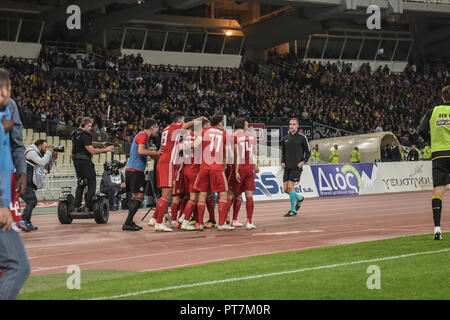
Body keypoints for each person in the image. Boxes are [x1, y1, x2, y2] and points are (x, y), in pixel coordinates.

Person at [0, 68, 30, 300]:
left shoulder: (10, 108)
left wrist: (21, 171)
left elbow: (17, 143)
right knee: (17, 264)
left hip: (6, 184)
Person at [149, 113, 207, 232]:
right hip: (169, 163)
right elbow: (188, 125)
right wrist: (199, 119)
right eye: (183, 120)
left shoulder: (166, 129)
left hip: (163, 161)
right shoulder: (174, 128)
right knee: (167, 194)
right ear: (179, 120)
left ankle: (155, 219)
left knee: (165, 194)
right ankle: (160, 222)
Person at [418, 85, 450, 240]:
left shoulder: (432, 112)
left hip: (438, 155)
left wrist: (432, 140)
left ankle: (437, 228)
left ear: (442, 97)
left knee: (438, 190)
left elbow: (421, 131)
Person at [193, 114, 232, 230]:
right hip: (217, 167)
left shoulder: (204, 131)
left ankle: (200, 223)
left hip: (204, 167)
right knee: (223, 194)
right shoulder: (224, 134)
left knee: (202, 194)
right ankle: (221, 224)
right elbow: (226, 152)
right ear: (220, 123)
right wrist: (224, 165)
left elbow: (195, 145)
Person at [123, 119, 161, 231]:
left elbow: (148, 154)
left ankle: (129, 222)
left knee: (135, 196)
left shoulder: (143, 137)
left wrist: (158, 155)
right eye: (157, 127)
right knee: (139, 196)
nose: (157, 130)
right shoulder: (143, 135)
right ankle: (127, 222)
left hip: (133, 169)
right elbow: (141, 151)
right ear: (152, 127)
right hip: (135, 170)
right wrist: (155, 153)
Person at [71, 117, 114, 212]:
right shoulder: (86, 134)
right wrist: (106, 149)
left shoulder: (75, 133)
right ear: (83, 125)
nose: (90, 128)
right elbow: (92, 151)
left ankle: (76, 206)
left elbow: (87, 143)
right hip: (85, 161)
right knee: (91, 183)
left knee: (81, 183)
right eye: (89, 126)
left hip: (76, 161)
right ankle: (87, 206)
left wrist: (100, 144)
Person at [228, 118, 259, 230]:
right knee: (249, 196)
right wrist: (254, 164)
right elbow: (255, 152)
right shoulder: (252, 137)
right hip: (248, 168)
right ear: (243, 126)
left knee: (232, 194)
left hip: (237, 166)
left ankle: (231, 219)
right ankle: (249, 221)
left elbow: (232, 154)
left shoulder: (232, 136)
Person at [20, 139, 57, 231]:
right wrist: (49, 153)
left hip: (27, 182)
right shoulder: (31, 151)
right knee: (32, 201)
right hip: (22, 181)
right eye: (45, 147)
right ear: (39, 147)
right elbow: (41, 162)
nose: (47, 149)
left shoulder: (40, 155)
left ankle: (25, 222)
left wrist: (53, 158)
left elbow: (46, 168)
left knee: (31, 201)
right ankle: (24, 221)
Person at [281, 117, 310, 217]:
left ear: (297, 126)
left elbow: (308, 152)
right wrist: (282, 162)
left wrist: (304, 161)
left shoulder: (302, 137)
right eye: (290, 124)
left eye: (294, 124)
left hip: (296, 167)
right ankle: (299, 198)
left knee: (290, 187)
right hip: (287, 167)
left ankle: (293, 210)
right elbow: (283, 153)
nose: (291, 126)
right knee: (285, 189)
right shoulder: (285, 138)